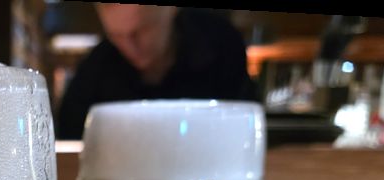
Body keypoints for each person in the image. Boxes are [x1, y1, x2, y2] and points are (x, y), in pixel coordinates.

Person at [56, 5, 258, 139]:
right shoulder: (95, 67)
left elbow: (244, 126)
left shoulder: (219, 44)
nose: (130, 46)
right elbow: (70, 139)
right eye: (116, 36)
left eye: (142, 31)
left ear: (171, 11)